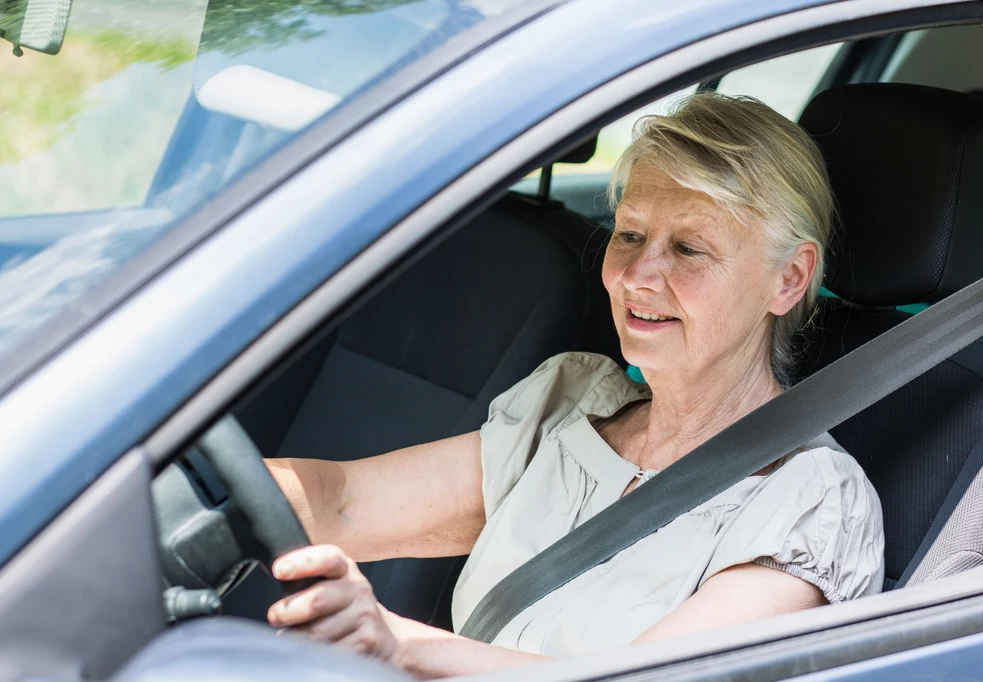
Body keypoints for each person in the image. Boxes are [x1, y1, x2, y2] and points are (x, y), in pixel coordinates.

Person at [264, 91, 885, 679]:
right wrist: (184, 488)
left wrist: (399, 643)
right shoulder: (570, 406)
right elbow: (344, 501)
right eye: (631, 234)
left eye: (690, 248)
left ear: (789, 279)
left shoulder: (810, 503)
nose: (636, 275)